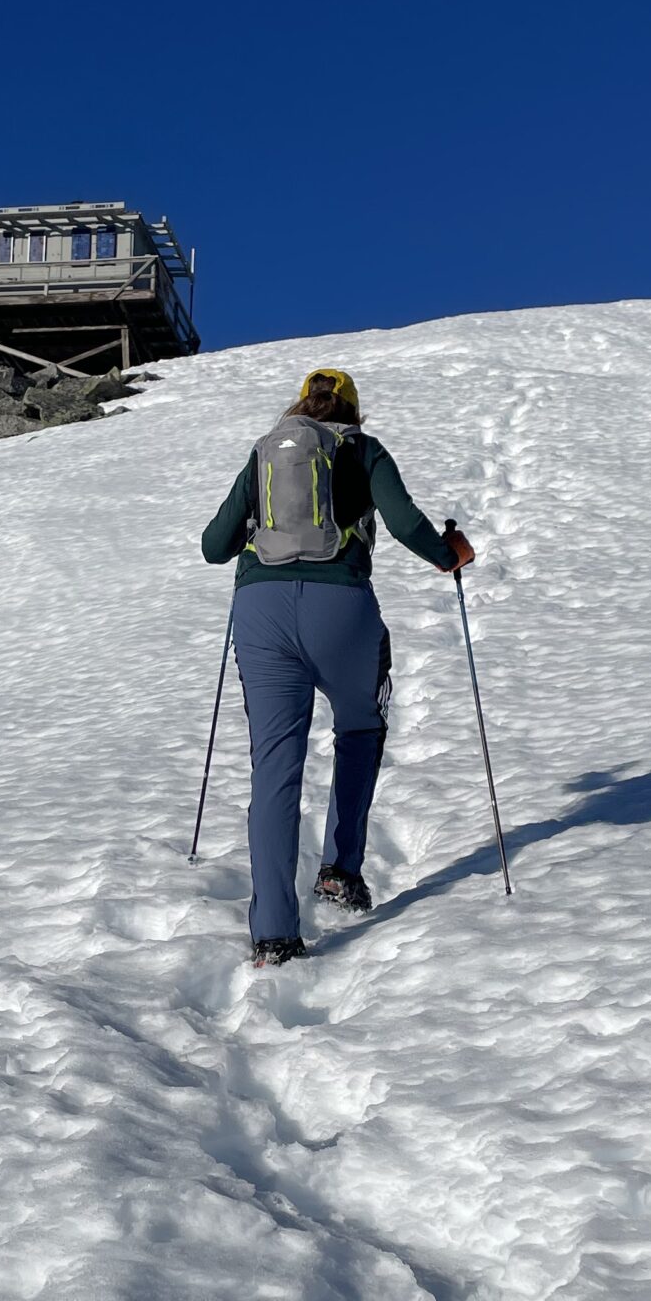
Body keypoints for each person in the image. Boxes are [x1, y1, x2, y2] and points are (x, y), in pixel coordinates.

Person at [200, 367, 474, 966]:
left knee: (275, 764)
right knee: (360, 727)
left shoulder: (265, 455)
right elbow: (403, 522)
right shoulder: (363, 451)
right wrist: (447, 554)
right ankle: (340, 872)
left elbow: (213, 545)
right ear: (354, 412)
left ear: (300, 406)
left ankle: (274, 933)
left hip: (260, 612)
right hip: (341, 608)